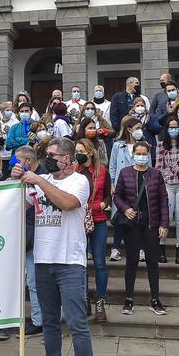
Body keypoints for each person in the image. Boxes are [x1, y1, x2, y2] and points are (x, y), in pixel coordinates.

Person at [12, 138, 97, 356]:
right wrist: (16, 181)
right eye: (46, 154)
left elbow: (68, 204)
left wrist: (38, 181)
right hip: (43, 260)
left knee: (77, 324)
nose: (48, 158)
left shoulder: (79, 181)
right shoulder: (41, 179)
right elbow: (16, 204)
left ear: (69, 158)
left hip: (69, 262)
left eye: (53, 155)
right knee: (49, 323)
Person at [112, 141, 169, 316]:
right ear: (134, 154)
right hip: (132, 224)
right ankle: (128, 299)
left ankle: (155, 299)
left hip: (151, 222)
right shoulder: (125, 173)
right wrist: (125, 209)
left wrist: (164, 224)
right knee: (131, 261)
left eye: (145, 154)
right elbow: (117, 196)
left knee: (153, 262)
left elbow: (163, 200)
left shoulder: (155, 174)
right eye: (139, 153)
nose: (142, 157)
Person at [73, 138, 110, 323]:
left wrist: (103, 204)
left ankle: (100, 302)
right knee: (81, 262)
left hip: (99, 219)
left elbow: (109, 195)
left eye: (81, 150)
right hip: (78, 220)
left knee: (99, 262)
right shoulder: (74, 171)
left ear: (90, 152)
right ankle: (85, 298)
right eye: (76, 150)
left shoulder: (102, 170)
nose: (77, 154)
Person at [12, 146, 44, 338]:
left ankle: (39, 321)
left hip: (38, 236)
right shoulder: (18, 177)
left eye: (17, 162)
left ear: (27, 162)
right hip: (23, 234)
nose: (14, 165)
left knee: (33, 280)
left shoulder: (44, 177)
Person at [156, 115, 179, 265]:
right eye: (170, 127)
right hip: (167, 184)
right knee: (167, 216)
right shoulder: (160, 145)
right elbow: (158, 167)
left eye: (175, 127)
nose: (173, 130)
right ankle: (161, 249)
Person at [106, 116, 142, 262]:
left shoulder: (143, 145)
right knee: (119, 217)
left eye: (141, 128)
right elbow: (112, 166)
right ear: (129, 129)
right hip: (121, 186)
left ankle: (140, 249)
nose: (140, 131)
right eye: (137, 128)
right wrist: (112, 183)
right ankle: (115, 248)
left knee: (139, 217)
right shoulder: (117, 145)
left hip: (138, 186)